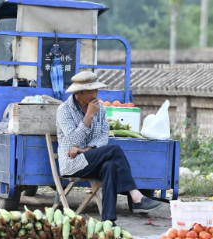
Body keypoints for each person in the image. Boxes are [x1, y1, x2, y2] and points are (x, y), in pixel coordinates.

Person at [56, 71, 163, 223]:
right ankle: (135, 195)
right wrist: (88, 116)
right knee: (114, 150)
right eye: (91, 91)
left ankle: (108, 221)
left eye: (96, 90)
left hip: (91, 158)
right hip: (73, 163)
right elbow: (73, 139)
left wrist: (88, 149)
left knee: (109, 166)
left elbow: (103, 136)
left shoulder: (101, 109)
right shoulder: (64, 110)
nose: (95, 94)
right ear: (79, 93)